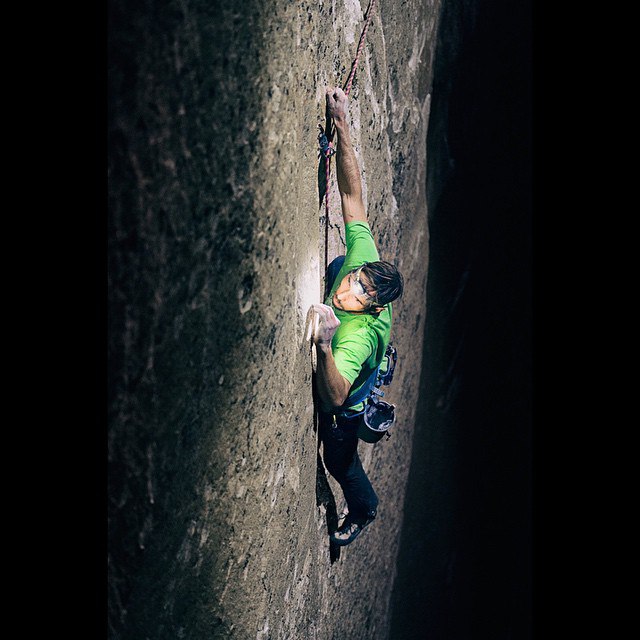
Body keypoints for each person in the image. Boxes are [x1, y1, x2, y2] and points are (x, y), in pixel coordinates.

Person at [312, 87, 404, 546]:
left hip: (348, 405)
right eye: (356, 280)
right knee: (335, 264)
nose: (348, 290)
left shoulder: (359, 336)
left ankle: (364, 509)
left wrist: (327, 341)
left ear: (375, 308)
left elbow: (333, 398)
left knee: (338, 461)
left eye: (360, 293)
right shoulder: (362, 259)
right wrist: (342, 124)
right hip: (365, 351)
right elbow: (352, 194)